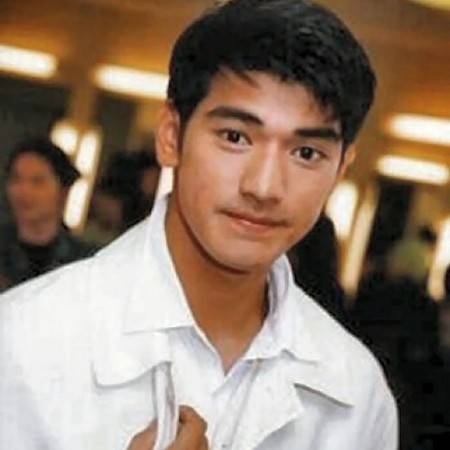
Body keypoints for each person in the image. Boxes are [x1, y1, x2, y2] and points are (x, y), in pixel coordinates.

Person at [0, 1, 398, 449]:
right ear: (171, 136)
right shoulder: (22, 343)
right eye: (235, 137)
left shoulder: (357, 394)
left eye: (306, 153)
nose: (264, 187)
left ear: (341, 170)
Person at [0, 137, 96, 292]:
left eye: (37, 182)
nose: (24, 191)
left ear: (63, 190)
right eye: (16, 179)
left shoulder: (83, 261)